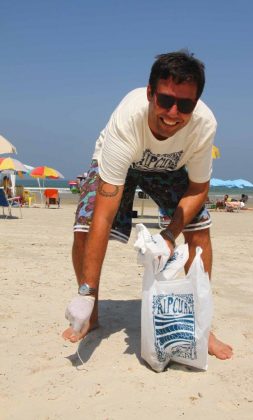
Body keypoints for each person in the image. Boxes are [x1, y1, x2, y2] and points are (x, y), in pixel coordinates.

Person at [62, 50, 233, 360]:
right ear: (150, 93)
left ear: (196, 104)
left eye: (185, 105)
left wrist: (170, 235)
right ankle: (91, 311)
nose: (173, 113)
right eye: (165, 100)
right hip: (121, 163)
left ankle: (201, 325)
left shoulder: (204, 125)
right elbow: (103, 214)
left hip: (171, 167)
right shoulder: (129, 118)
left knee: (199, 232)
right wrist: (85, 291)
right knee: (84, 228)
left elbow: (198, 186)